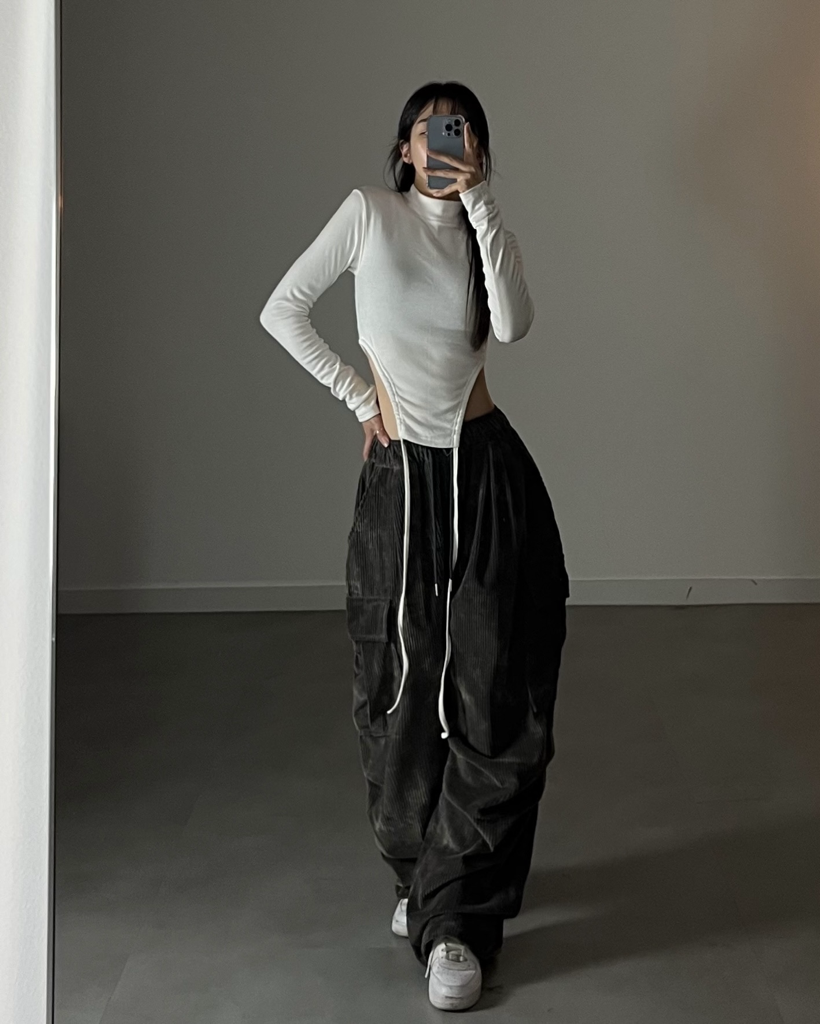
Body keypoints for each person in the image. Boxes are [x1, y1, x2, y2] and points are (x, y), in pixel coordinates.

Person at [258, 81, 569, 1012]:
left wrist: (481, 204)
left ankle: (456, 922)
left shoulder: (482, 230)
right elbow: (282, 308)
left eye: (462, 128)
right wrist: (361, 400)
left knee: (492, 690)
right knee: (399, 689)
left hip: (486, 475)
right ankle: (428, 876)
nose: (445, 140)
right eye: (431, 129)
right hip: (401, 482)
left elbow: (513, 325)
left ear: (479, 148)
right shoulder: (368, 215)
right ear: (403, 149)